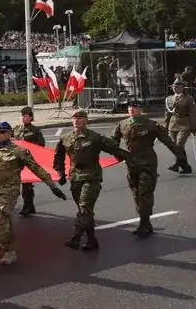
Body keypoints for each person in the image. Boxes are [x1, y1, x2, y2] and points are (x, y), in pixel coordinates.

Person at [0, 121, 66, 266]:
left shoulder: (19, 151)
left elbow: (36, 168)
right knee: (5, 222)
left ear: (10, 134)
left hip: (10, 191)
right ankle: (10, 252)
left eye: (3, 132)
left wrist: (51, 185)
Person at [111, 99, 191, 237]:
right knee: (136, 192)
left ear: (141, 110)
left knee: (144, 193)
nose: (131, 108)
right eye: (129, 106)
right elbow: (112, 142)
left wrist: (181, 157)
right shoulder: (122, 124)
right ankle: (146, 222)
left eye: (135, 106)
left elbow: (168, 141)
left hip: (147, 163)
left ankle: (143, 223)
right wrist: (119, 155)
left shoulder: (151, 125)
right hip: (131, 164)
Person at [53, 110, 129, 251]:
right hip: (75, 178)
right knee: (85, 210)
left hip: (91, 176)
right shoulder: (66, 138)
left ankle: (76, 237)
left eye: (80, 118)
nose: (77, 120)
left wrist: (131, 159)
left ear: (86, 121)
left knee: (84, 206)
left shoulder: (95, 137)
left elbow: (113, 148)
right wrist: (61, 174)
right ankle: (92, 240)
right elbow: (58, 158)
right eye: (74, 118)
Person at [11, 107, 47, 217]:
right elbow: (10, 139)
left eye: (26, 116)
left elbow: (41, 145)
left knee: (27, 185)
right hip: (17, 161)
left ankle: (27, 206)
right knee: (18, 183)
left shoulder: (35, 131)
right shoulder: (16, 128)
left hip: (29, 161)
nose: (23, 118)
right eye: (22, 116)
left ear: (31, 117)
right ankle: (30, 207)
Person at [163, 82, 194, 168]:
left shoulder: (188, 99)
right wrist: (165, 126)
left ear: (182, 88)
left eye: (178, 87)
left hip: (185, 123)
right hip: (173, 124)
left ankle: (176, 164)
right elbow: (167, 113)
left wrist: (193, 126)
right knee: (176, 146)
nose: (176, 88)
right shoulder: (169, 99)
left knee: (179, 144)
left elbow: (192, 112)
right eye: (174, 87)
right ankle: (186, 167)